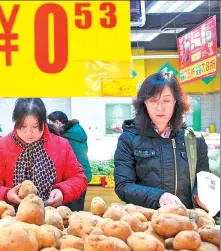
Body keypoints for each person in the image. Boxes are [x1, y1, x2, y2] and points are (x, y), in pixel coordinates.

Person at [114, 72, 209, 210]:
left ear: (176, 102)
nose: (160, 107)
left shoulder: (194, 140)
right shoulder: (129, 138)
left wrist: (199, 194)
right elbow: (123, 186)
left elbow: (204, 179)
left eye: (166, 100)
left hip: (185, 222)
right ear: (144, 103)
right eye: (153, 100)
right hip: (144, 223)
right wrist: (159, 196)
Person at [0, 98, 88, 210]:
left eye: (35, 127)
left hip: (50, 217)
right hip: (12, 218)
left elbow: (79, 178)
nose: (28, 133)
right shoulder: (1, 146)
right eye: (23, 126)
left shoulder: (61, 144)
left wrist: (62, 191)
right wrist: (6, 194)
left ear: (43, 123)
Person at [48, 111, 92, 211]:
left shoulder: (64, 138)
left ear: (58, 123)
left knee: (69, 214)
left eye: (50, 123)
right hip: (83, 175)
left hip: (74, 178)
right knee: (77, 211)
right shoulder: (77, 133)